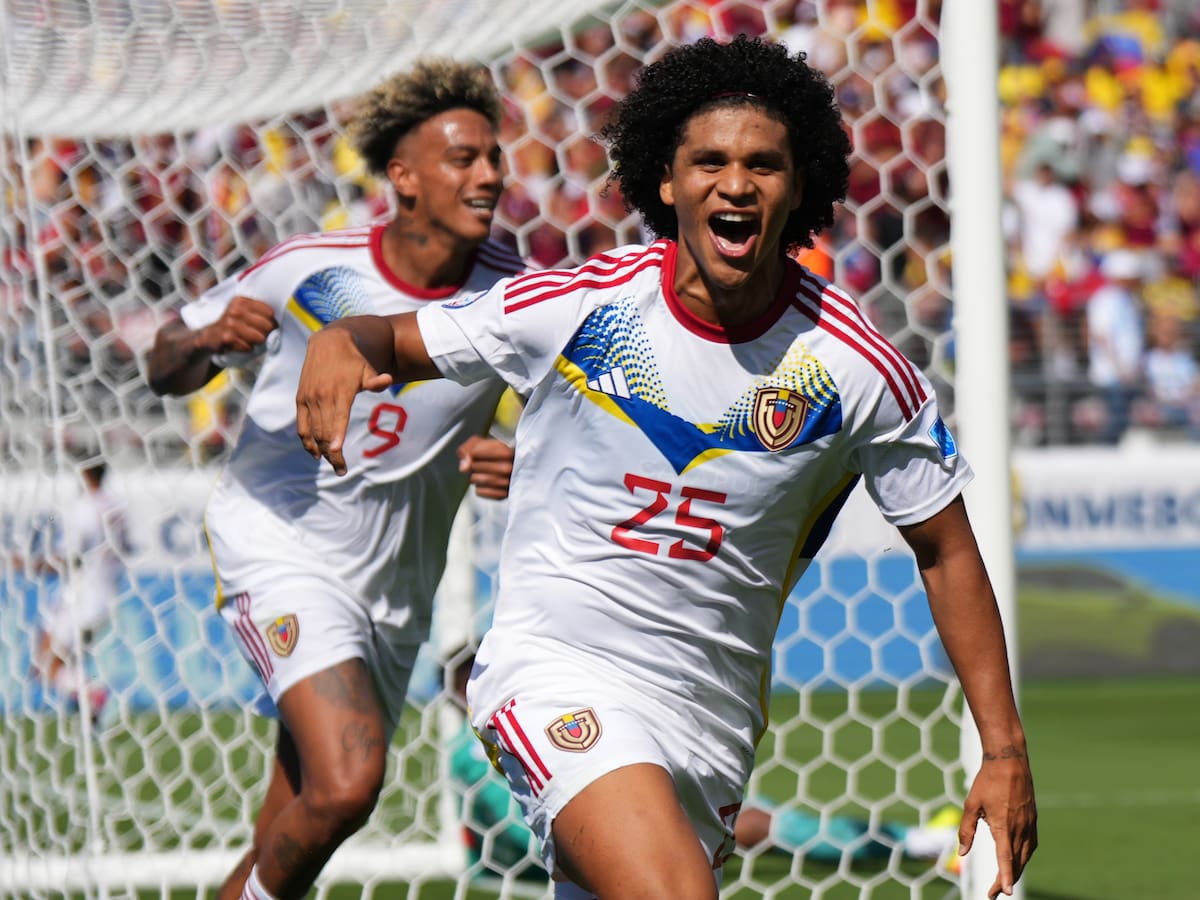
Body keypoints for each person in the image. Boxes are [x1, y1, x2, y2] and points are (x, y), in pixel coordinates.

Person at [296, 35, 1038, 900]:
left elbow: (944, 549)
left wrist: (1004, 751)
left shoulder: (857, 368)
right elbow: (396, 338)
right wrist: (341, 340)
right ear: (664, 179)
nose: (735, 183)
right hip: (554, 671)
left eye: (764, 164)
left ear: (798, 187)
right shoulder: (581, 307)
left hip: (709, 721)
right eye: (709, 161)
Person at [144, 59, 522, 900]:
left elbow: (569, 424)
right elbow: (162, 365)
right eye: (464, 158)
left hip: (395, 589)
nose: (490, 174)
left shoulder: (512, 295)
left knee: (299, 822)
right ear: (402, 177)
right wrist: (199, 347)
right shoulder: (308, 268)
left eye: (494, 156)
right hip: (282, 542)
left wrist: (521, 460)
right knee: (351, 782)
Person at [445, 651, 958, 883]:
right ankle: (915, 843)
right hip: (544, 865)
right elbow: (530, 830)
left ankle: (910, 843)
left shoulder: (483, 741)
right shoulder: (471, 754)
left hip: (568, 848)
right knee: (749, 823)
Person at [30, 460, 129, 719]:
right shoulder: (115, 508)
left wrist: (29, 563)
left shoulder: (85, 509)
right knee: (58, 661)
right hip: (106, 596)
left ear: (84, 472)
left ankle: (91, 692)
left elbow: (67, 557)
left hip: (81, 596)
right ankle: (90, 711)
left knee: (45, 663)